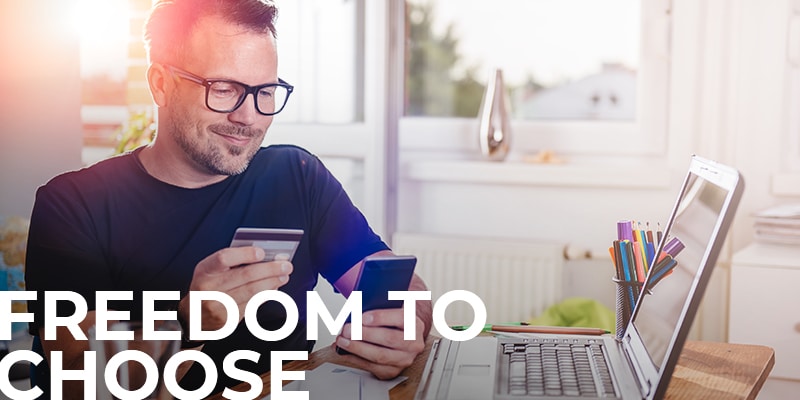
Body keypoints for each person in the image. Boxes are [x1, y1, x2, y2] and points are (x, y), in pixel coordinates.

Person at [24, 0, 432, 396]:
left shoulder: (296, 176)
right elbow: (79, 381)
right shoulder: (73, 205)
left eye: (265, 91)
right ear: (161, 84)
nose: (248, 117)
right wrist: (191, 323)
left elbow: (399, 283)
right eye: (223, 89)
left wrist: (405, 323)